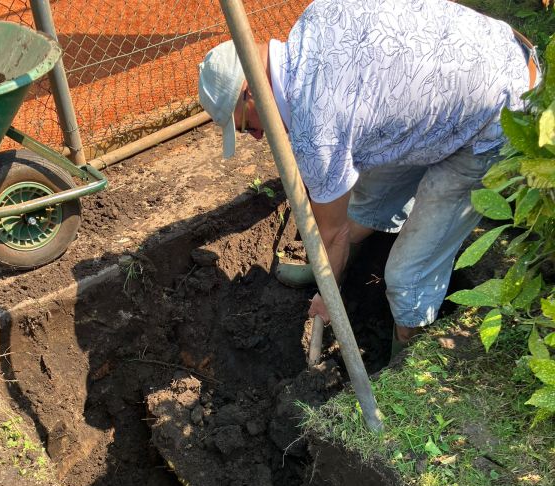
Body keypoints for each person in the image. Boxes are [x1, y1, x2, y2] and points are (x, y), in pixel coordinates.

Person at [198, 0, 538, 353]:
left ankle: (405, 358)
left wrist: (328, 298)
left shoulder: (317, 132)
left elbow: (334, 232)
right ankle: (332, 267)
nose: (256, 137)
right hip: (480, 63)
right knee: (368, 194)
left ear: (250, 93)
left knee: (407, 276)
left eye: (245, 126)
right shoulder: (316, 15)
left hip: (500, 115)